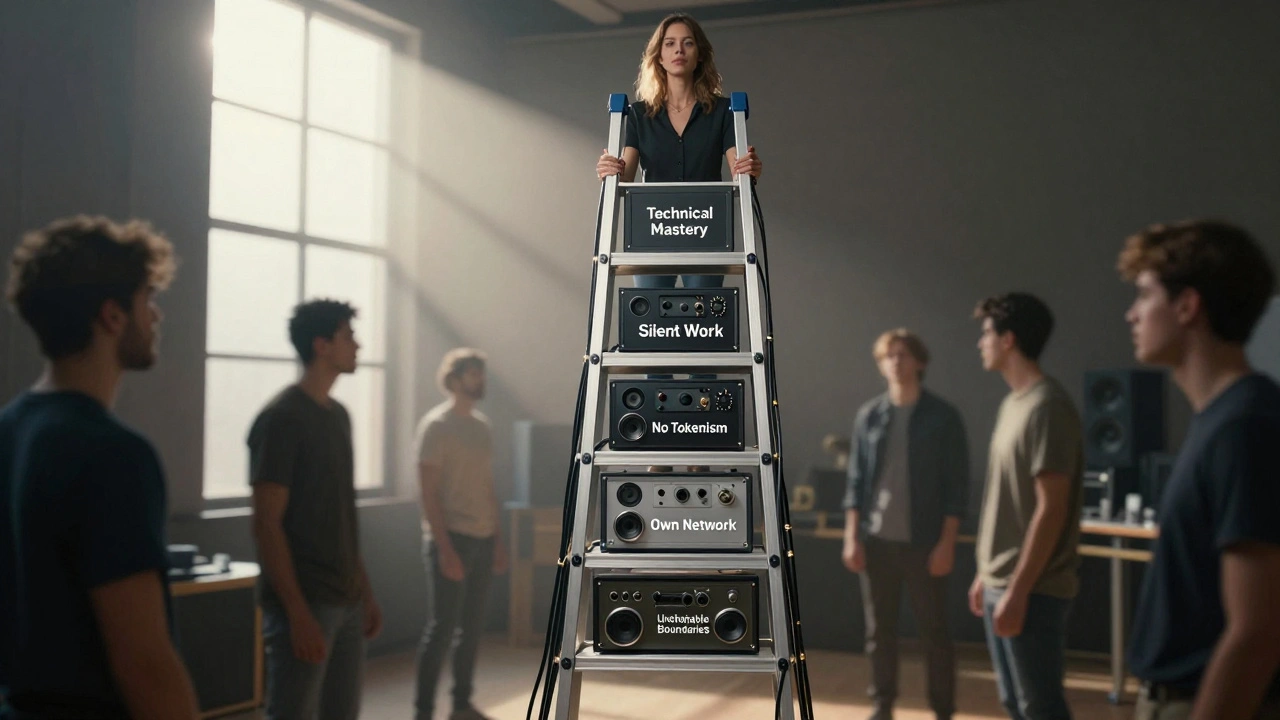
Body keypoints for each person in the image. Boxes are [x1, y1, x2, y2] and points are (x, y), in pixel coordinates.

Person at [0, 216, 199, 719]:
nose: (154, 317)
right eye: (146, 300)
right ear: (112, 316)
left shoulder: (8, 430)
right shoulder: (112, 454)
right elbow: (145, 663)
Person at [1118, 220, 1280, 720]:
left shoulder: (1245, 425)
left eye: (1145, 296)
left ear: (1188, 306)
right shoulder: (1220, 420)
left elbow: (1257, 630)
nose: (1131, 314)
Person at [249, 299, 382, 720]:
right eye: (349, 336)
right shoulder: (281, 418)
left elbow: (340, 514)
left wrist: (364, 591)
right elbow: (267, 523)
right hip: (306, 601)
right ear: (322, 345)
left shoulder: (339, 415)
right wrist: (297, 613)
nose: (358, 346)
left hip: (344, 599)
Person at [842, 328, 969, 720]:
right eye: (888, 356)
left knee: (935, 634)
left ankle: (943, 710)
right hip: (877, 541)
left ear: (920, 362)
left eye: (903, 354)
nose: (896, 361)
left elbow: (956, 486)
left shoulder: (943, 418)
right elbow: (857, 481)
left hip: (925, 543)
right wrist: (852, 537)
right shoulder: (869, 416)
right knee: (880, 633)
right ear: (881, 365)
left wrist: (947, 543)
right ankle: (881, 706)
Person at [970, 292, 1083, 720]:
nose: (980, 343)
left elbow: (1050, 509)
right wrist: (987, 572)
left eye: (986, 334)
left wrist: (1017, 590)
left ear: (1008, 340)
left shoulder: (1048, 407)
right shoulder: (1012, 404)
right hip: (1003, 581)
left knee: (1040, 708)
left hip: (1033, 589)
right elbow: (1006, 500)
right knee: (1016, 704)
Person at [595, 11, 762, 295]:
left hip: (706, 230)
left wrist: (750, 168)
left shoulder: (723, 112)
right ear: (658, 56)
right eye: (670, 43)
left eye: (688, 43)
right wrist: (610, 169)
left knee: (704, 325)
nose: (679, 50)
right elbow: (627, 173)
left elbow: (739, 168)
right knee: (650, 327)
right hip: (651, 231)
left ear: (700, 55)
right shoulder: (639, 114)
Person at [414, 349, 507, 720]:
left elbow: (487, 487)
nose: (479, 380)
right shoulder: (436, 426)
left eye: (481, 374)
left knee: (472, 629)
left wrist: (498, 540)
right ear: (454, 380)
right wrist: (445, 548)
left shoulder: (482, 426)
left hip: (483, 538)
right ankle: (422, 709)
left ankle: (461, 702)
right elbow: (427, 492)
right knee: (441, 629)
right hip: (451, 539)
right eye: (473, 374)